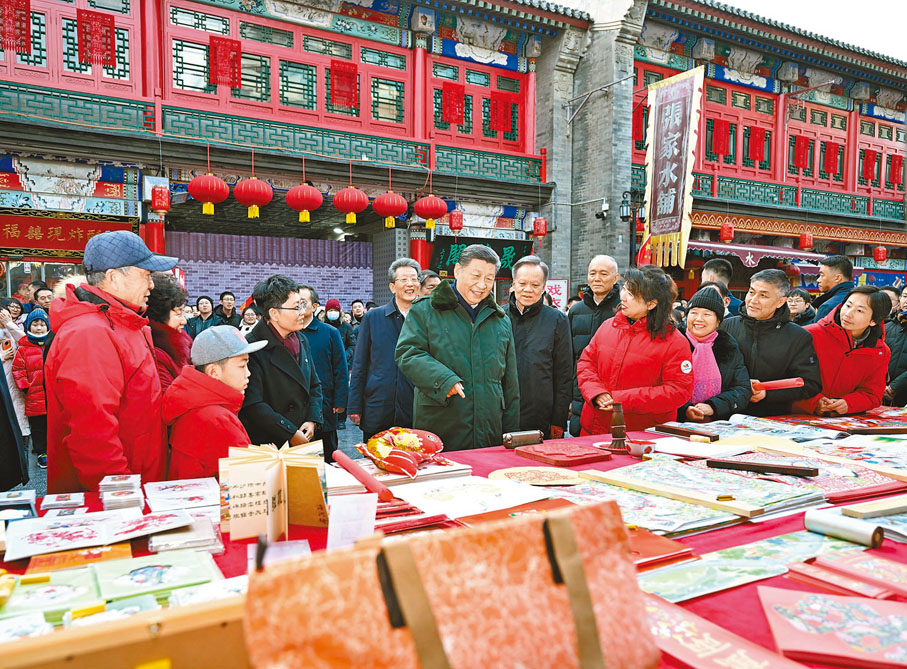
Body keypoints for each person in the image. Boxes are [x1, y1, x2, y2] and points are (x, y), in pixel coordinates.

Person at [45, 230, 177, 493]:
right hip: (115, 500)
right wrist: (123, 499)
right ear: (114, 278)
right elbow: (93, 436)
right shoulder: (89, 334)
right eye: (146, 275)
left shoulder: (128, 324)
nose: (152, 285)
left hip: (143, 484)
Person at [396, 244, 519, 451]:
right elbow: (407, 353)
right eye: (476, 276)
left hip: (490, 428)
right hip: (442, 423)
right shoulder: (426, 310)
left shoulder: (500, 320)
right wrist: (444, 380)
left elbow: (510, 382)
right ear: (457, 271)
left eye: (489, 279)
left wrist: (511, 433)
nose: (482, 285)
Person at [577, 266, 693, 433]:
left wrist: (620, 400)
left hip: (640, 436)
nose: (622, 297)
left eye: (631, 294)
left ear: (652, 303)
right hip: (593, 427)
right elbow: (586, 363)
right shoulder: (608, 326)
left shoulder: (674, 342)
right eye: (624, 288)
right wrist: (596, 393)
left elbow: (678, 391)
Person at [164, 326, 264, 479]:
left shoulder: (192, 404)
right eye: (242, 366)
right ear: (213, 372)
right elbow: (249, 479)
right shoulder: (216, 419)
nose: (248, 373)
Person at [720, 269, 821, 417]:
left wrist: (768, 393)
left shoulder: (798, 337)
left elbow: (810, 384)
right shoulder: (726, 326)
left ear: (781, 301)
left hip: (772, 418)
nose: (753, 300)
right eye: (751, 292)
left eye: (763, 295)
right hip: (724, 415)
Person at [240, 275, 323, 448]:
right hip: (272, 441)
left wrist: (313, 419)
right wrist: (290, 432)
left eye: (302, 304)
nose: (303, 312)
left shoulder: (301, 339)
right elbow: (253, 404)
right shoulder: (252, 346)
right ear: (274, 313)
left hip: (304, 433)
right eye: (296, 307)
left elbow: (314, 385)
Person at [348, 259, 419, 440]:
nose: (410, 284)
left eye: (414, 279)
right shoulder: (374, 317)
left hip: (415, 408)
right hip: (378, 407)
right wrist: (354, 405)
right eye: (403, 280)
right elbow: (360, 364)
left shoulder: (426, 317)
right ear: (392, 287)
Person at [793, 287, 890, 416]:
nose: (848, 313)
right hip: (797, 416)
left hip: (844, 422)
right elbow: (786, 376)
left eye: (859, 310)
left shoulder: (880, 351)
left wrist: (848, 403)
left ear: (874, 321)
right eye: (848, 305)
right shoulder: (808, 335)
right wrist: (813, 402)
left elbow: (872, 394)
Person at [507, 256, 572, 438]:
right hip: (502, 412)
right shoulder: (499, 316)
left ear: (544, 287)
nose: (528, 290)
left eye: (535, 285)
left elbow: (564, 373)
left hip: (540, 413)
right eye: (522, 283)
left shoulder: (557, 320)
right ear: (513, 284)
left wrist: (558, 419)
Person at [677, 288, 750, 422]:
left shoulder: (728, 346)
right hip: (675, 423)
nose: (699, 319)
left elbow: (742, 389)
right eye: (694, 313)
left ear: (718, 321)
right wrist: (684, 409)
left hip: (716, 423)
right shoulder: (674, 342)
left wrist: (713, 406)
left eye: (707, 314)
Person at [568, 255, 621, 436]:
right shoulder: (576, 311)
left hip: (612, 394)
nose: (597, 278)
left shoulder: (624, 310)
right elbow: (569, 357)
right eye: (592, 273)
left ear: (616, 278)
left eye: (603, 274)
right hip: (579, 392)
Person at [298, 286, 348, 461]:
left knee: (327, 452)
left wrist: (340, 400)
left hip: (325, 401)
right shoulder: (289, 332)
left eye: (303, 302)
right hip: (297, 404)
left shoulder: (329, 332)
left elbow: (340, 368)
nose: (299, 306)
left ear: (314, 306)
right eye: (296, 302)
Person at [12, 309, 52, 469]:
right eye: (35, 324)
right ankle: (42, 453)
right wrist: (25, 388)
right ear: (29, 326)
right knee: (38, 427)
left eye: (42, 324)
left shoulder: (53, 343)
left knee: (53, 425)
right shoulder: (23, 347)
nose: (39, 328)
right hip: (34, 397)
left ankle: (54, 452)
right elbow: (18, 370)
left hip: (53, 395)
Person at [146, 273, 192, 392]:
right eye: (178, 313)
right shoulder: (155, 352)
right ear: (159, 314)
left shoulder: (182, 344)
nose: (184, 321)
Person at [0, 302, 28, 442]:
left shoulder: (12, 331)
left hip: (16, 386)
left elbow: (26, 342)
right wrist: (1, 358)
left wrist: (10, 325)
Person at [811, 255, 854, 324]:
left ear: (837, 278)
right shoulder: (860, 299)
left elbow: (816, 333)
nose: (818, 280)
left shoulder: (828, 307)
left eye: (822, 275)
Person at [884, 285, 907, 406]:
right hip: (882, 396)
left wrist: (895, 387)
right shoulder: (887, 327)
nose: (906, 300)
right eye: (905, 296)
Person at [324, 298, 356, 366]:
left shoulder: (346, 326)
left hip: (343, 363)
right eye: (330, 310)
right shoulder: (322, 326)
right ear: (326, 313)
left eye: (335, 310)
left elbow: (352, 345)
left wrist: (344, 356)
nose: (333, 312)